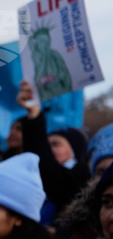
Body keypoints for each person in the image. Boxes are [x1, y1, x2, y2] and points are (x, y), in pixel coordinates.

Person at [15, 80, 90, 219]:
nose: (48, 149)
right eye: (47, 144)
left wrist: (34, 116)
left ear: (74, 151)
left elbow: (49, 171)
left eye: (56, 144)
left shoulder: (82, 179)